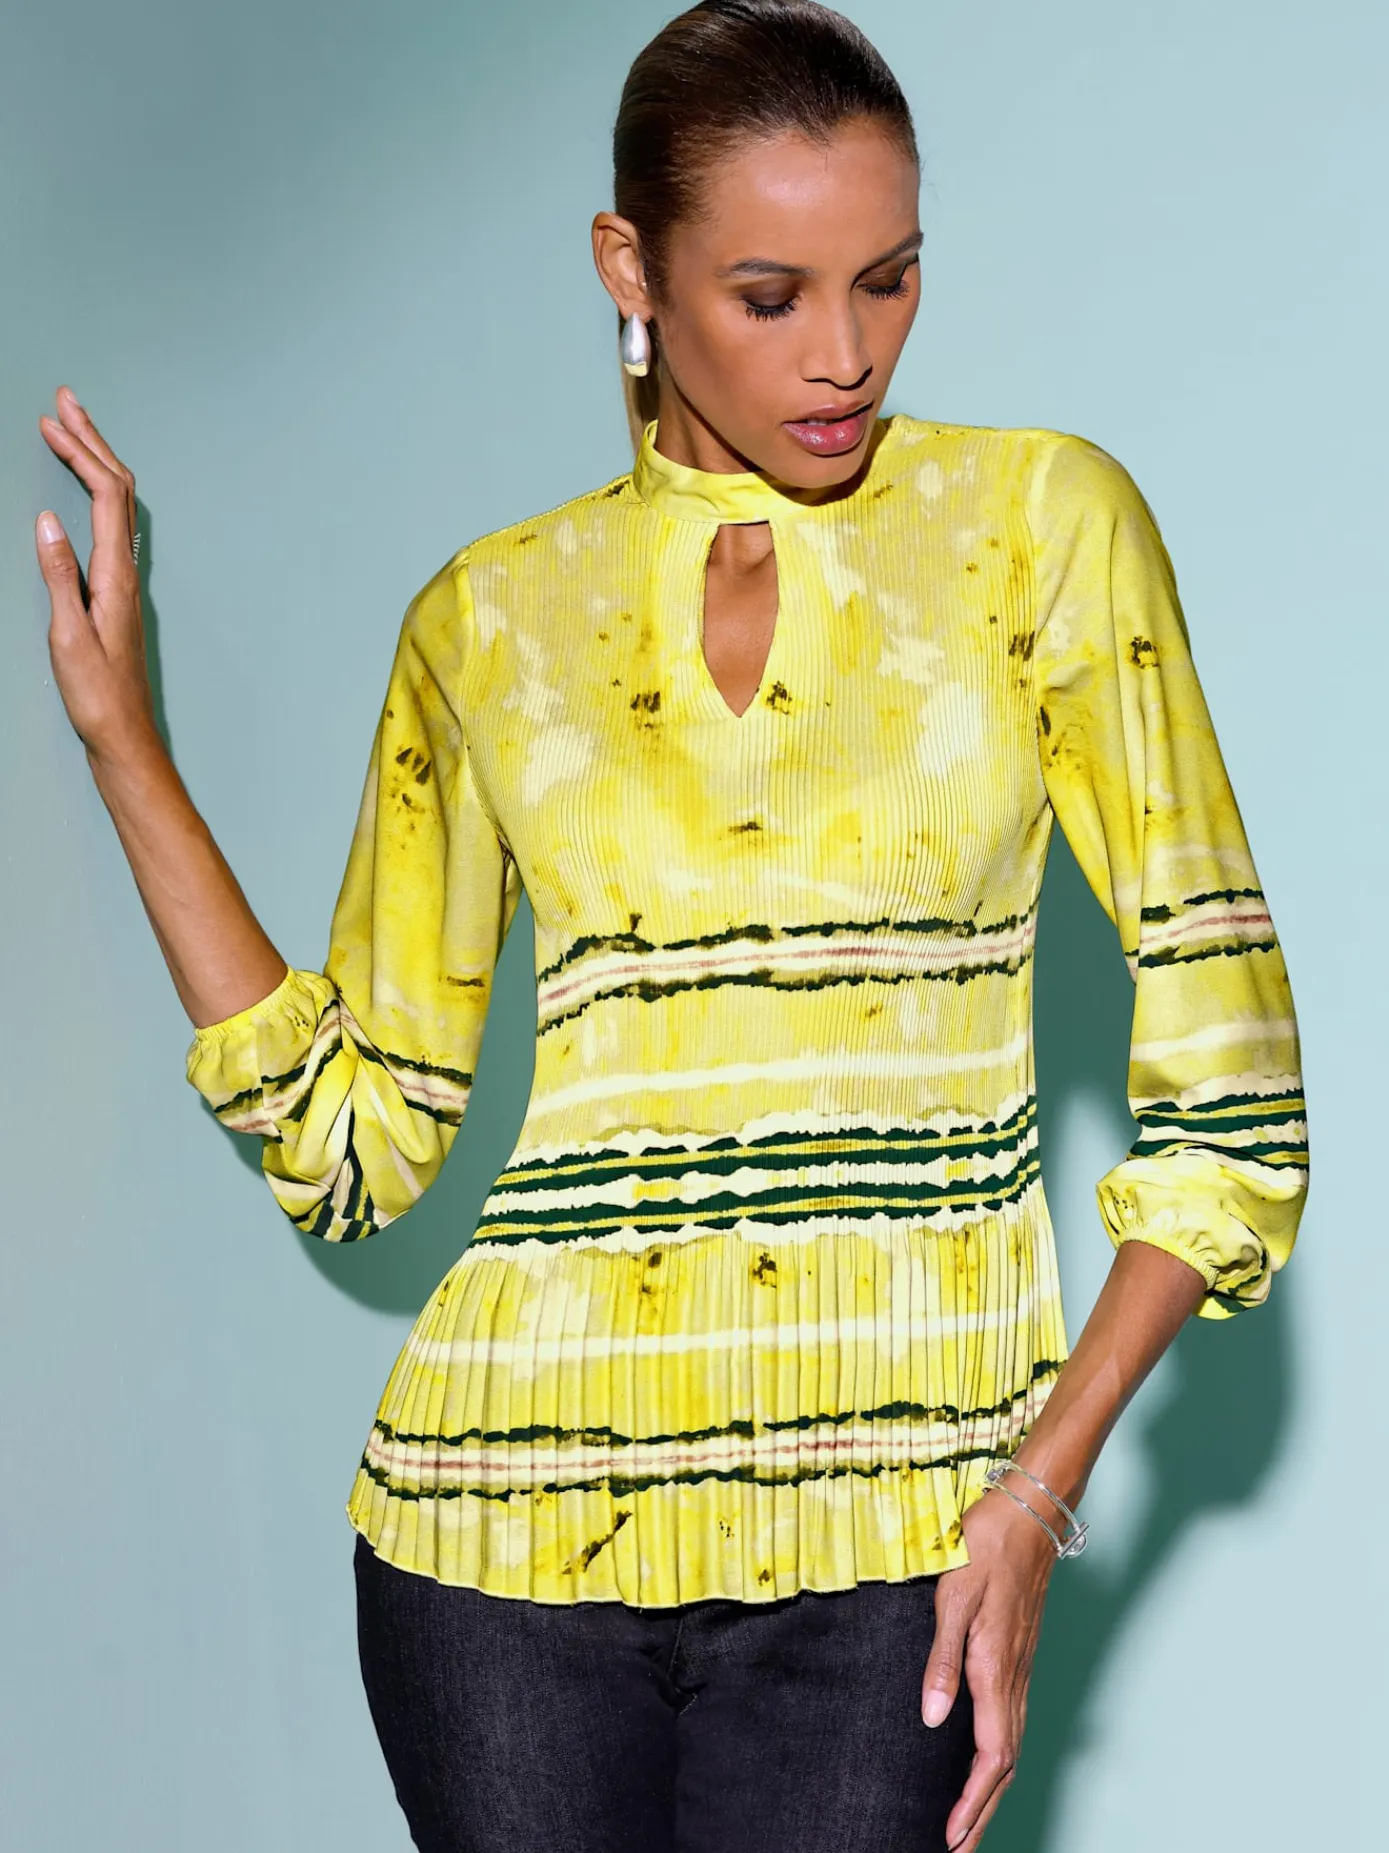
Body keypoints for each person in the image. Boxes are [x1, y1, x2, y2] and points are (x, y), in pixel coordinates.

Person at [32, 3, 1308, 1849]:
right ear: (629, 269)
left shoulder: (1039, 529)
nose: (844, 352)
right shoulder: (488, 618)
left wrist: (1031, 1498)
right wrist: (126, 751)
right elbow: (355, 1140)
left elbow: (1231, 1109)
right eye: (769, 295)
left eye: (888, 278)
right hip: (493, 1553)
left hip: (900, 1535)